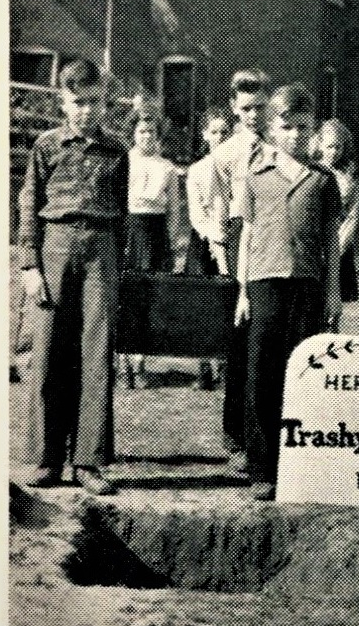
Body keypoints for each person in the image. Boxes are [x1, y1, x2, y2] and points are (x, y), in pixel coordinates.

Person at [17, 59, 128, 495]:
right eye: (78, 103)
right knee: (49, 354)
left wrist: (116, 264)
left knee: (97, 355)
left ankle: (89, 462)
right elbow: (29, 204)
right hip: (56, 247)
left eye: (94, 102)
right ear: (64, 103)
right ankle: (47, 458)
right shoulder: (46, 147)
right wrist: (30, 264)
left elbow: (121, 214)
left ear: (104, 102)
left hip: (100, 250)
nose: (87, 110)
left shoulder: (117, 151)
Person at [233, 84, 342, 497]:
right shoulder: (255, 176)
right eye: (287, 127)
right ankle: (262, 467)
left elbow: (331, 240)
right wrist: (243, 290)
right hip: (263, 282)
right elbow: (245, 234)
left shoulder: (323, 180)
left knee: (305, 372)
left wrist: (332, 291)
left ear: (312, 130)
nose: (295, 136)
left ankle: (299, 464)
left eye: (303, 128)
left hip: (308, 285)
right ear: (272, 129)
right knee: (261, 370)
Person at [209, 68, 271, 456]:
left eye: (260, 107)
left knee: (265, 336)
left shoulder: (279, 146)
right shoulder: (225, 152)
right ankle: (235, 428)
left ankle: (264, 429)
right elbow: (218, 204)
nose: (254, 115)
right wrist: (220, 253)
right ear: (234, 107)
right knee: (239, 333)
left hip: (270, 233)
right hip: (236, 236)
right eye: (246, 108)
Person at [120, 110, 182, 389]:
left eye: (152, 132)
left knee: (149, 299)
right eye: (142, 131)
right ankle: (123, 362)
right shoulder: (123, 161)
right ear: (134, 133)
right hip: (129, 231)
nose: (147, 136)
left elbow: (173, 212)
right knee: (126, 295)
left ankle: (140, 362)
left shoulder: (167, 167)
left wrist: (168, 243)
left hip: (155, 235)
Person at [185, 106, 232, 389]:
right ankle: (203, 367)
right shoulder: (197, 170)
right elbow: (196, 213)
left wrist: (226, 238)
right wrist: (213, 237)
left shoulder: (240, 167)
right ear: (205, 135)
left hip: (231, 239)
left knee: (229, 302)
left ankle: (227, 366)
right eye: (214, 132)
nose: (219, 137)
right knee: (202, 305)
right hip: (203, 242)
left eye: (224, 132)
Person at [311, 119, 359, 303]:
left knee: (334, 303)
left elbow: (352, 217)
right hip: (314, 246)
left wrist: (337, 249)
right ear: (319, 144)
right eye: (329, 146)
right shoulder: (311, 172)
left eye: (337, 147)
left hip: (339, 245)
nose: (333, 152)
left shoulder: (348, 178)